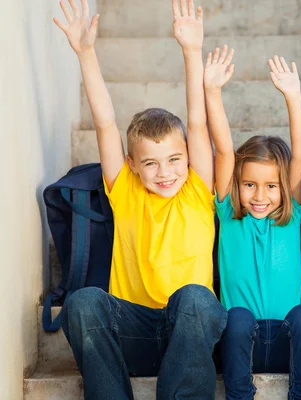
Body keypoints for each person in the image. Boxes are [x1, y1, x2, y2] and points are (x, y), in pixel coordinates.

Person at [54, 0, 227, 398]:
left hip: (188, 334)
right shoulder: (126, 191)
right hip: (132, 331)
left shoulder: (198, 191)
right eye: (151, 163)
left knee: (198, 299)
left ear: (187, 157)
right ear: (132, 164)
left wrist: (191, 51)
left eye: (174, 160)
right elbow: (105, 122)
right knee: (82, 303)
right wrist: (85, 52)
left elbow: (197, 123)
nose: (165, 172)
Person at [203, 47, 301, 399]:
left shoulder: (291, 214)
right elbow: (224, 150)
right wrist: (212, 91)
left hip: (287, 339)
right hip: (241, 342)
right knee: (237, 317)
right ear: (236, 186)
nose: (259, 195)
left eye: (271, 186)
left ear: (284, 188)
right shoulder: (229, 213)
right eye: (249, 185)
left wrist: (293, 95)